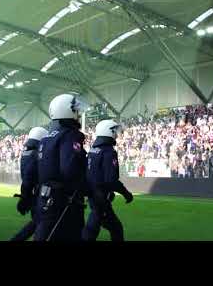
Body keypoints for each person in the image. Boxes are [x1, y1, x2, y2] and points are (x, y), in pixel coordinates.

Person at [33, 94, 89, 241]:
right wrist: (86, 188)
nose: (78, 115)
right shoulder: (70, 135)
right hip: (64, 200)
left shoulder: (46, 137)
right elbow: (69, 169)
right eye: (76, 110)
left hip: (45, 197)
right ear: (67, 111)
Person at [82, 120, 133, 241]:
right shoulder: (109, 152)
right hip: (101, 197)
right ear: (108, 132)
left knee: (101, 227)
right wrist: (126, 194)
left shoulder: (93, 151)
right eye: (114, 131)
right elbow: (111, 180)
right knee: (110, 229)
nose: (116, 134)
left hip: (93, 195)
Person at [10, 126, 48, 241]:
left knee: (38, 223)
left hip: (31, 193)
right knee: (41, 223)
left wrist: (25, 196)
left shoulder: (26, 153)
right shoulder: (35, 154)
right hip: (37, 193)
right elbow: (29, 177)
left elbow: (26, 178)